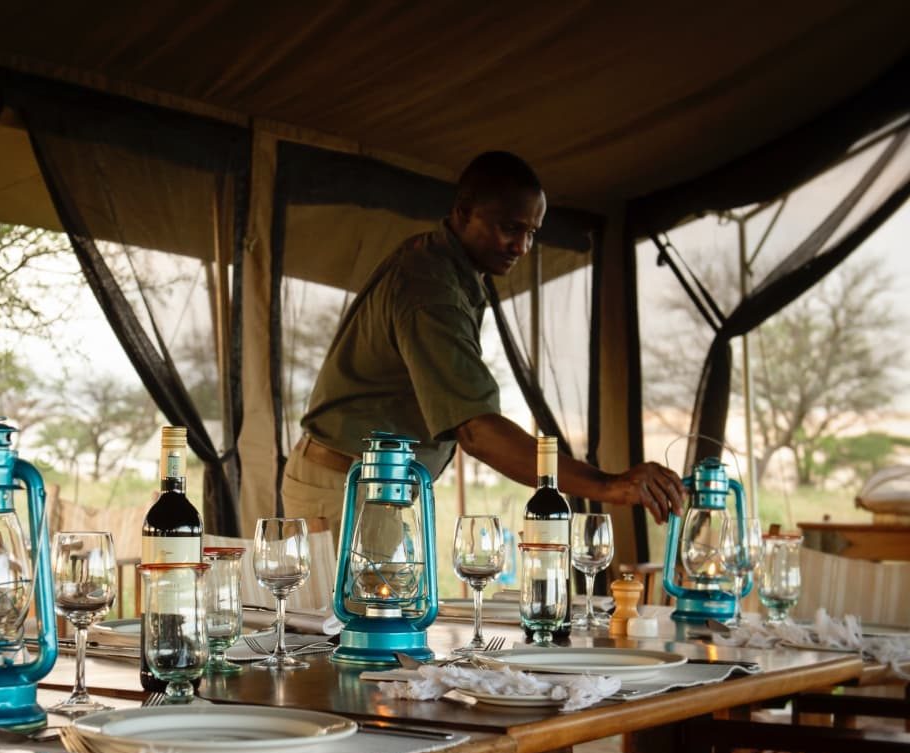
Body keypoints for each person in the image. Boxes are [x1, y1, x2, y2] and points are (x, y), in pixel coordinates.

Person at [282, 150, 685, 539]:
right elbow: (477, 431)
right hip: (343, 487)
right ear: (462, 213)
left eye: (531, 233)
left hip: (375, 485)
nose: (522, 247)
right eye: (510, 228)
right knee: (350, 612)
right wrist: (610, 486)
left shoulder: (453, 274)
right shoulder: (429, 286)